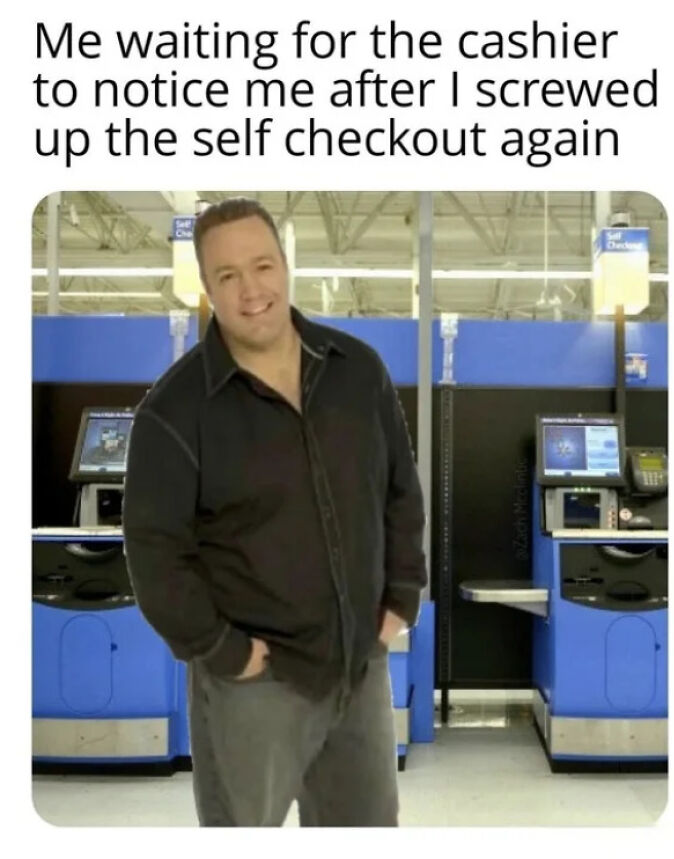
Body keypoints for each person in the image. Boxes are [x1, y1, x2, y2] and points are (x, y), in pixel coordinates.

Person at [123, 197, 427, 827]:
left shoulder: (357, 372)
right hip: (254, 683)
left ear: (285, 266)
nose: (250, 289)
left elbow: (399, 487)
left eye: (261, 266)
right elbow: (155, 552)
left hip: (358, 667)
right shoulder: (174, 412)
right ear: (206, 288)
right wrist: (224, 651)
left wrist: (401, 597)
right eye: (227, 276)